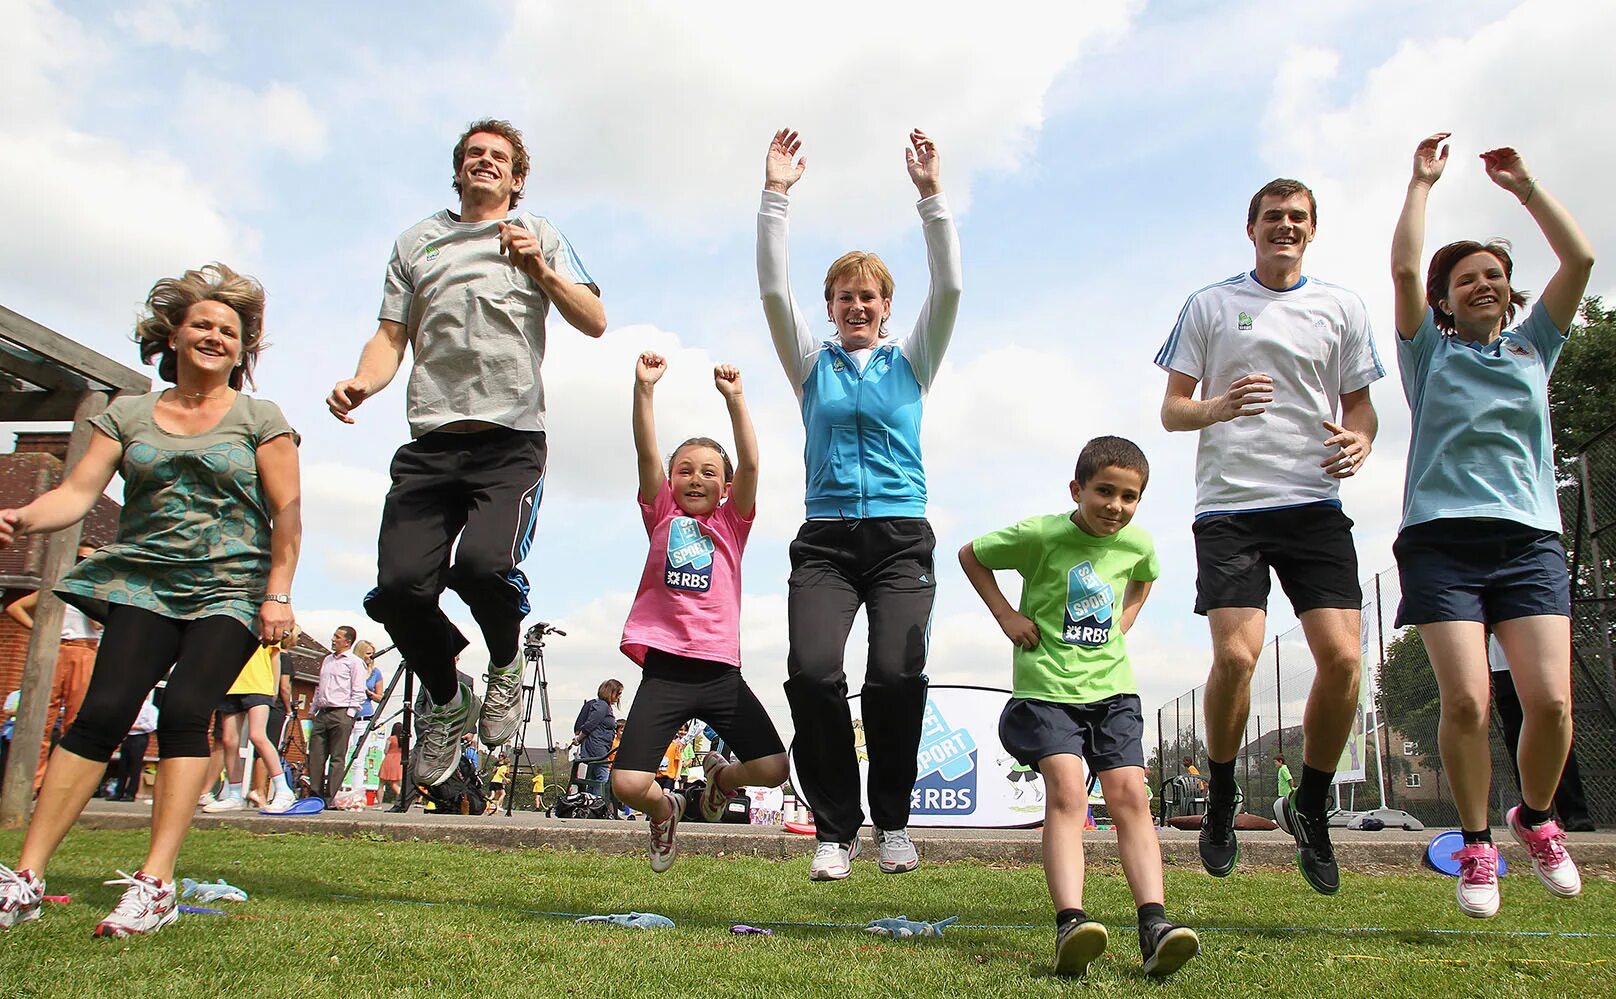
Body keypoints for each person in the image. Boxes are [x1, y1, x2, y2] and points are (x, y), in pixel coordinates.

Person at [0, 263, 300, 937]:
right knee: (102, 710)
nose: (215, 336)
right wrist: (25, 517)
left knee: (189, 708)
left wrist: (278, 592)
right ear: (174, 332)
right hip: (144, 577)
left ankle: (156, 881)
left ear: (242, 348)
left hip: (232, 582)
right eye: (203, 324)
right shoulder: (129, 414)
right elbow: (78, 492)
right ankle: (23, 876)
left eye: (229, 330)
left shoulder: (260, 417)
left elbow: (288, 512)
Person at [327, 118, 605, 786]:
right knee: (398, 591)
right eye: (473, 155)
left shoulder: (540, 234)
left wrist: (537, 266)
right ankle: (449, 697)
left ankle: (504, 661)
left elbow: (594, 318)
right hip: (431, 441)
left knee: (483, 566)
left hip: (509, 439)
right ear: (458, 171)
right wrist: (364, 380)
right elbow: (391, 335)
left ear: (516, 177)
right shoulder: (416, 243)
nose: (484, 162)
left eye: (498, 157)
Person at [1155, 176, 1382, 896]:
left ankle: (1308, 805)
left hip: (1314, 504)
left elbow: (1362, 410)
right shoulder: (1211, 304)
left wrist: (1362, 442)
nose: (1285, 225)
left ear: (1311, 230)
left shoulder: (1342, 306)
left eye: (1298, 217)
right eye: (1273, 216)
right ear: (1250, 227)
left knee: (1345, 662)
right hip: (1230, 509)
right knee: (1236, 657)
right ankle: (1221, 795)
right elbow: (1171, 411)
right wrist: (1218, 405)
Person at [1390, 134, 1594, 918]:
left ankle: (1535, 819)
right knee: (1468, 703)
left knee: (1550, 705)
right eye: (1467, 278)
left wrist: (1528, 187)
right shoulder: (1427, 357)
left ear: (1509, 295)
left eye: (1495, 277)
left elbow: (1578, 262)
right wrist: (1421, 183)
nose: (1483, 283)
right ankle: (1477, 842)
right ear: (1445, 300)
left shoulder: (1533, 348)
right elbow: (1406, 267)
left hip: (1528, 542)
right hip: (1441, 544)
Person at [757, 127, 962, 881]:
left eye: (869, 295)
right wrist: (776, 194)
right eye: (844, 295)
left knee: (895, 679)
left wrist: (931, 198)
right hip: (826, 541)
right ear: (831, 306)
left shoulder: (912, 360)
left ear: (885, 305)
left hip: (902, 537)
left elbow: (952, 289)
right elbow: (773, 291)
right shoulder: (810, 366)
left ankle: (895, 823)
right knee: (813, 674)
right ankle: (835, 829)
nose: (857, 304)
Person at [959, 436, 1198, 978]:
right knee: (1067, 790)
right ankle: (1071, 923)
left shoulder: (1136, 542)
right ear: (1078, 489)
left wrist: (1127, 620)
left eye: (1129, 496)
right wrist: (1006, 617)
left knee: (1131, 795)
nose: (1115, 505)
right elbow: (971, 555)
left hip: (1113, 691)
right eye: (1104, 492)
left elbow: (1146, 576)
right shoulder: (1041, 535)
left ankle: (1154, 925)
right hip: (1046, 691)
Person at [611, 354, 788, 873]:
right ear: (669, 482)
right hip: (666, 671)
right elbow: (646, 451)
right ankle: (666, 811)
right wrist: (644, 390)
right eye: (684, 471)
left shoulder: (733, 523)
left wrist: (735, 400)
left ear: (726, 488)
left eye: (709, 473)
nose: (695, 479)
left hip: (719, 674)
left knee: (774, 769)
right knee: (627, 785)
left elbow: (752, 465)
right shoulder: (661, 512)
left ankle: (720, 778)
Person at [6, 546, 102, 791]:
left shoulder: (100, 590)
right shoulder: (58, 588)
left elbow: (100, 623)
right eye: (79, 558)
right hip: (56, 649)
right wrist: (41, 632)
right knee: (40, 719)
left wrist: (90, 598)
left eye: (88, 560)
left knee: (76, 720)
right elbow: (14, 607)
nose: (83, 563)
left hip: (85, 651)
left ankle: (62, 787)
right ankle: (32, 783)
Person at [1488, 635, 1593, 832]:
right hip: (1505, 665)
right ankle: (1537, 816)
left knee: (1553, 731)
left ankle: (1574, 814)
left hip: (1543, 659)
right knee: (1517, 735)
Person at [203, 627, 300, 813]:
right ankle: (234, 794)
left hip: (259, 686)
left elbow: (275, 658)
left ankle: (283, 790)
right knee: (229, 741)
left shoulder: (267, 627)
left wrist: (273, 690)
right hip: (232, 686)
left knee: (257, 735)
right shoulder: (232, 629)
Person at [306, 627, 368, 807]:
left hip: (341, 712)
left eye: (338, 637)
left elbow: (358, 690)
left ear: (347, 642)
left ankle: (330, 796)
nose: (333, 639)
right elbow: (320, 686)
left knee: (337, 757)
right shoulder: (327, 660)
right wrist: (313, 709)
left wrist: (349, 714)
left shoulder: (354, 663)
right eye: (334, 636)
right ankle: (314, 793)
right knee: (316, 754)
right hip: (323, 712)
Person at [571, 679, 622, 783]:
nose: (620, 696)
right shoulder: (602, 706)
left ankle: (592, 797)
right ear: (611, 692)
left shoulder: (605, 706)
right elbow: (590, 724)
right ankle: (600, 798)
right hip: (597, 748)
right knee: (603, 776)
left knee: (593, 778)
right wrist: (579, 739)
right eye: (618, 693)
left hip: (599, 747)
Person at [114, 694, 159, 803]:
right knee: (122, 765)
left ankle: (131, 793)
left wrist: (134, 727)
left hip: (139, 737)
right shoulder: (130, 707)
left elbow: (151, 725)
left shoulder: (150, 709)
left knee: (135, 766)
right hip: (128, 736)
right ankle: (119, 792)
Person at [354, 639, 384, 723]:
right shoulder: (348, 670)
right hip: (348, 716)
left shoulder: (375, 672)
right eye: (368, 654)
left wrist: (370, 694)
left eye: (373, 654)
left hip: (365, 717)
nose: (372, 656)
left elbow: (380, 698)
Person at [380, 721, 405, 804]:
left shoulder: (391, 738)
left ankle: (379, 804)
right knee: (396, 781)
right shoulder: (404, 739)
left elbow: (386, 750)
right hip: (400, 760)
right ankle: (401, 797)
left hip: (389, 759)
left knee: (381, 783)